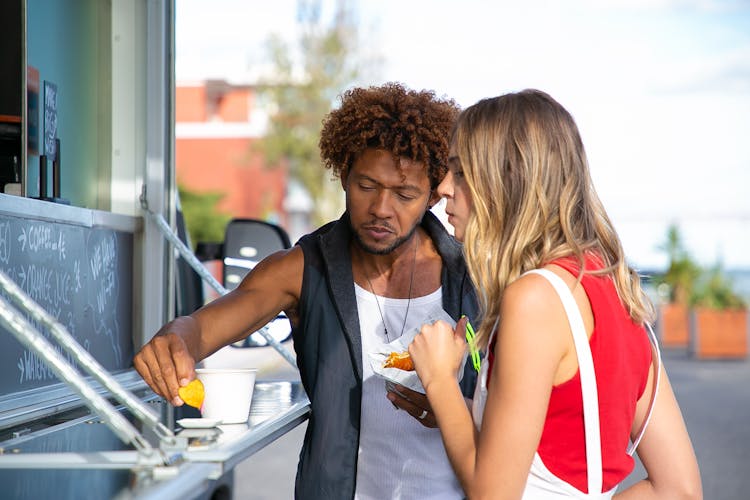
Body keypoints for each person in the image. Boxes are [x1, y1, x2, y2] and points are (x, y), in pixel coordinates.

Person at [134, 82, 480, 499]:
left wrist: (454, 406)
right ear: (344, 174)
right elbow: (204, 328)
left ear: (431, 196)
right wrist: (177, 340)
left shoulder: (475, 274)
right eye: (366, 186)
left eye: (405, 194)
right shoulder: (301, 268)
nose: (381, 209)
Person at [406, 89, 702, 499]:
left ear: (507, 179)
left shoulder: (534, 301)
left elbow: (492, 494)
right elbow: (679, 489)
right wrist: (454, 412)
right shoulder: (614, 287)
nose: (441, 188)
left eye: (459, 171)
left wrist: (439, 381)